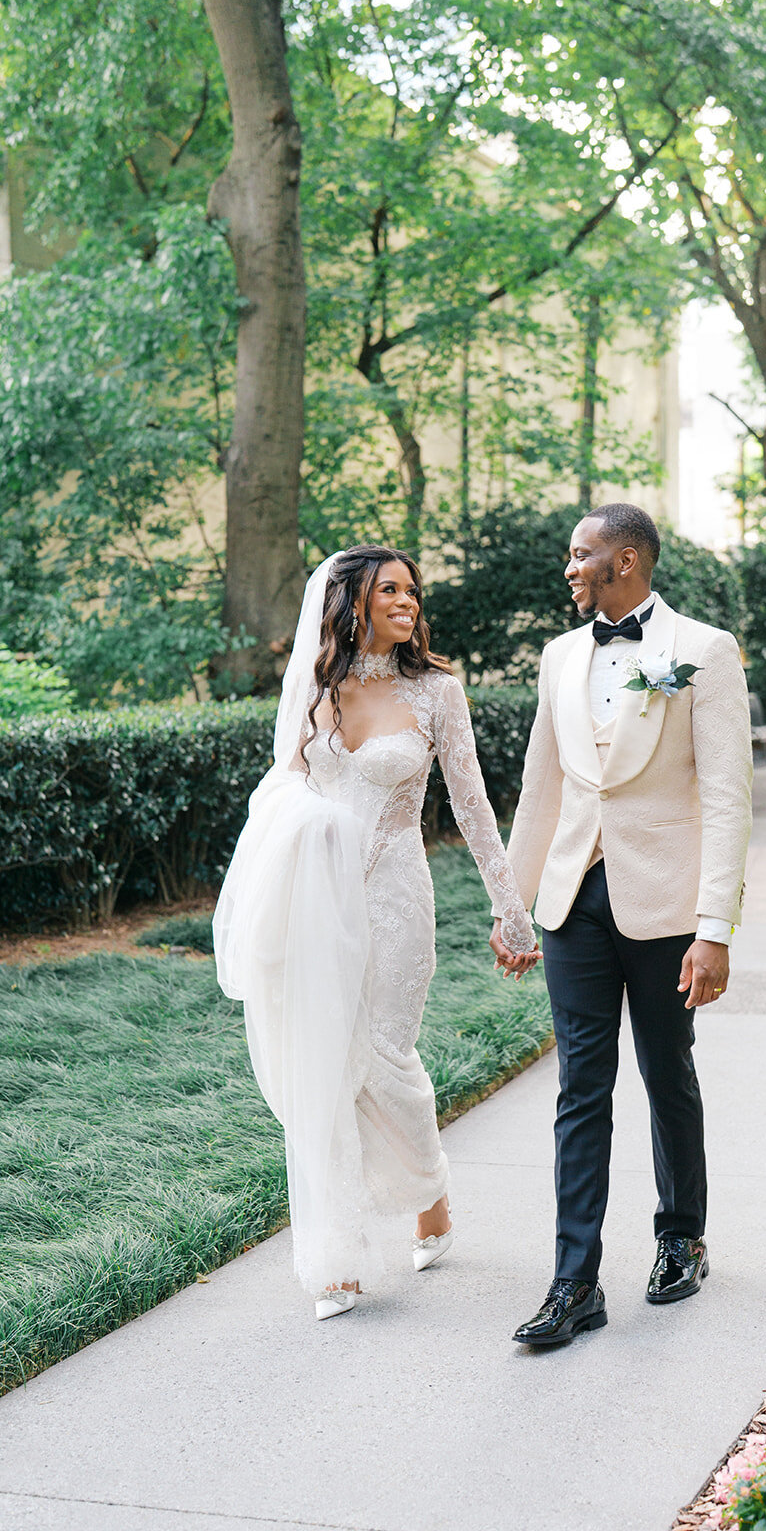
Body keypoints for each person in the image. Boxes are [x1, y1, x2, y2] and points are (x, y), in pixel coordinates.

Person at [214, 544, 540, 1321]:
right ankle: (338, 1259)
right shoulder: (313, 691)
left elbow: (471, 806)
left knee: (385, 1060)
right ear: (349, 603)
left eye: (411, 590)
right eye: (388, 589)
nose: (407, 601)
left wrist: (510, 906)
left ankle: (429, 1192)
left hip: (396, 897)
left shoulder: (436, 693)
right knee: (323, 1066)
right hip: (315, 903)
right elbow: (281, 791)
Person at [492, 503, 752, 1346]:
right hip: (573, 901)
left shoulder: (703, 652)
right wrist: (514, 906)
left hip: (666, 902)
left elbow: (725, 797)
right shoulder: (559, 657)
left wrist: (714, 927)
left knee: (666, 1069)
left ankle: (680, 1236)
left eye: (582, 554)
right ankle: (575, 1282)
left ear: (627, 560)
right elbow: (542, 789)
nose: (569, 568)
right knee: (579, 1088)